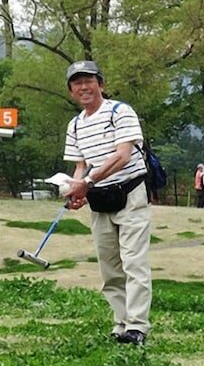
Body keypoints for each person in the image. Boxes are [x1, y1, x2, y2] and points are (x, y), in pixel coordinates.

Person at [61, 60, 152, 346]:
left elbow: (123, 155)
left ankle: (137, 327)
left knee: (134, 262)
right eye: (77, 83)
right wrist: (75, 191)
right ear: (71, 91)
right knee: (109, 267)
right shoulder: (75, 125)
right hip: (100, 199)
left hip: (130, 193)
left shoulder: (120, 112)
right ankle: (121, 323)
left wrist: (86, 183)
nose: (83, 87)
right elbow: (80, 166)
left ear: (101, 84)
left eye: (89, 80)